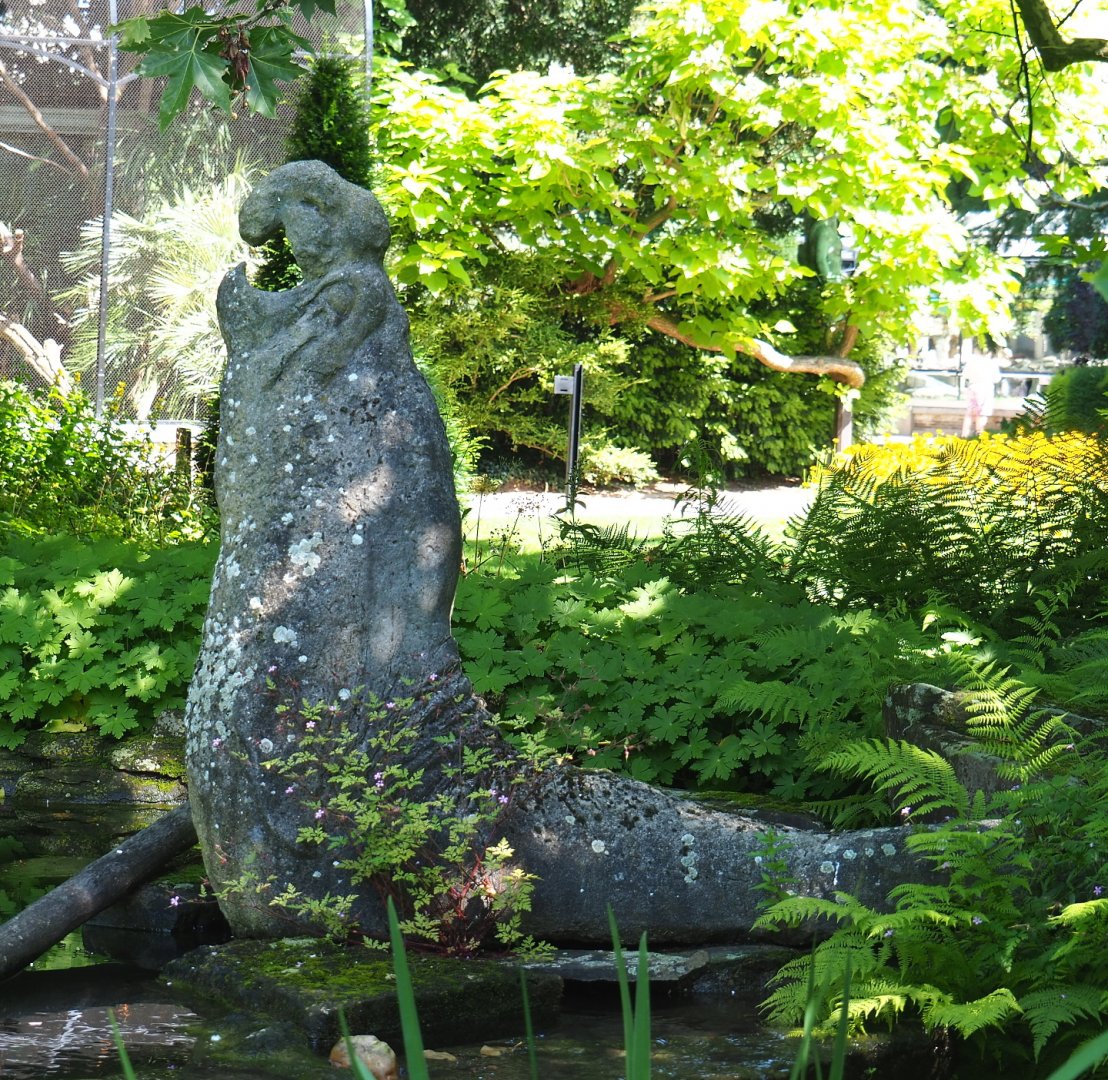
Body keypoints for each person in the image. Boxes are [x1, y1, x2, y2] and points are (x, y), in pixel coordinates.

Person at [960, 351, 1004, 437]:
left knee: (970, 412)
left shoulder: (971, 361)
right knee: (982, 413)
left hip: (972, 387)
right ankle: (980, 434)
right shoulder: (991, 363)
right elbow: (997, 378)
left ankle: (964, 434)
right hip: (986, 388)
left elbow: (965, 375)